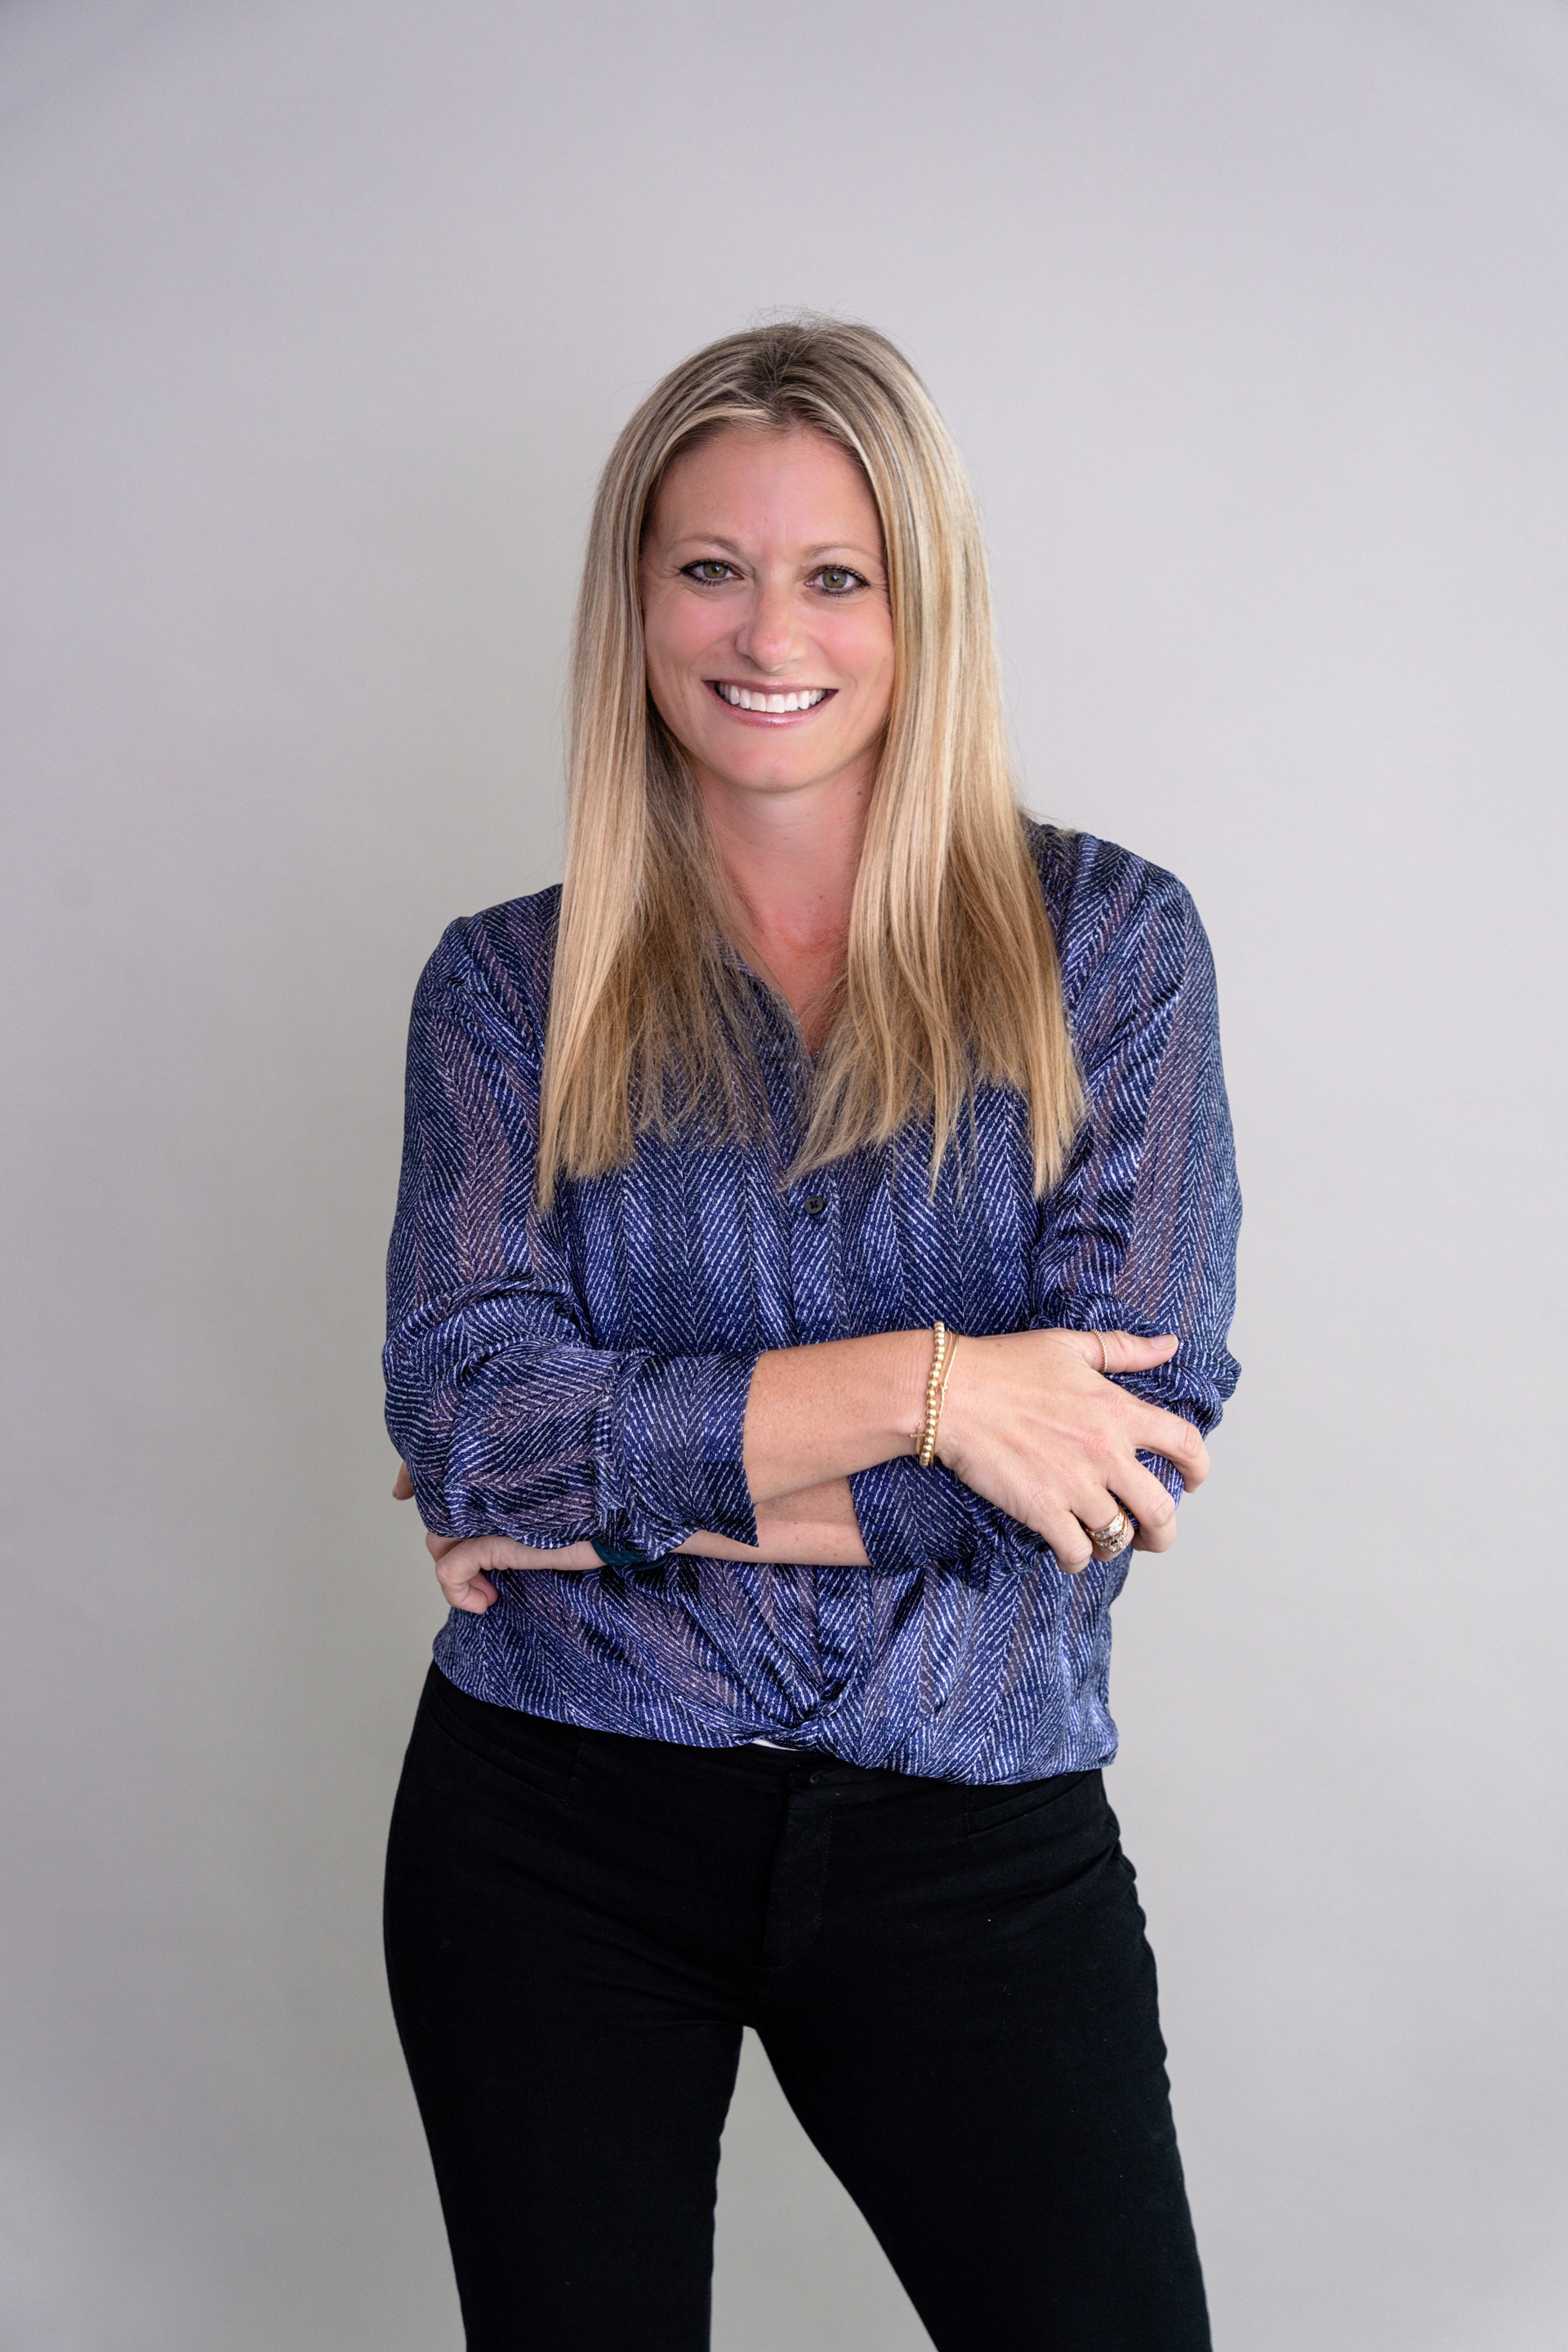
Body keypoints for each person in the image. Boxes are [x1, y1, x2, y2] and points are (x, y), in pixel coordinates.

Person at [381, 317, 1240, 2352]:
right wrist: (941, 1392)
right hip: (554, 1824)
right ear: (640, 601)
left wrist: (619, 1496)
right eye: (711, 567)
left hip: (969, 1820)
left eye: (835, 574)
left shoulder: (1111, 951)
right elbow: (473, 1419)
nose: (769, 630)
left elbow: (1117, 1452)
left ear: (914, 607)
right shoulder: (510, 990)